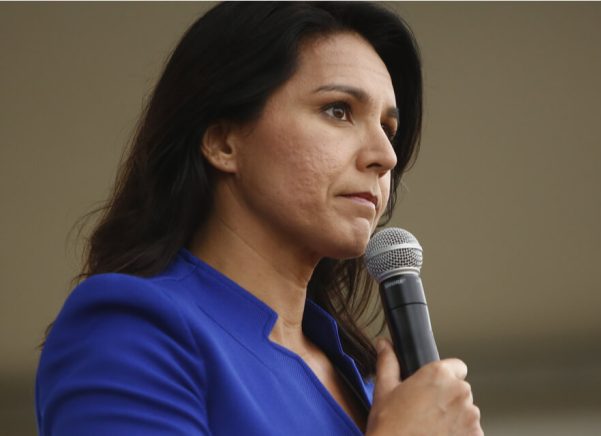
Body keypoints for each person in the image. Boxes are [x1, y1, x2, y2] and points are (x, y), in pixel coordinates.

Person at [35, 2, 483, 435]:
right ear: (223, 142)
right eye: (338, 110)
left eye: (388, 128)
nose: (385, 156)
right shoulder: (131, 328)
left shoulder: (367, 383)